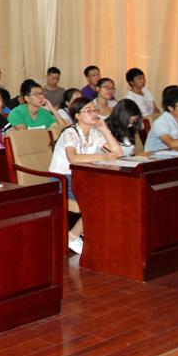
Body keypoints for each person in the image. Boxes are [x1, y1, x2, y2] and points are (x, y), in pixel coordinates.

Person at [49, 97, 123, 254]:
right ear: (77, 115)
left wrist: (105, 130)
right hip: (63, 180)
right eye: (88, 111)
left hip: (83, 178)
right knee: (97, 202)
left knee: (113, 195)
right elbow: (73, 158)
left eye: (95, 110)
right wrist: (103, 157)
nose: (94, 113)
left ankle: (91, 235)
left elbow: (118, 153)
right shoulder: (70, 132)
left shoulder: (95, 132)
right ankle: (73, 236)